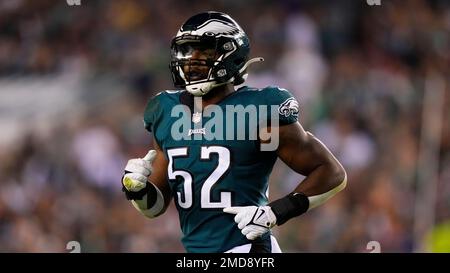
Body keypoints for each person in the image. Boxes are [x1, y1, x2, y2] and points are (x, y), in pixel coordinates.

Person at [121, 11, 347, 253]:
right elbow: (155, 207)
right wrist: (138, 189)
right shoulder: (167, 111)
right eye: (187, 50)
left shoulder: (258, 109)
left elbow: (331, 172)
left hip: (247, 250)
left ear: (231, 54)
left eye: (204, 51)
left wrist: (275, 211)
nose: (192, 59)